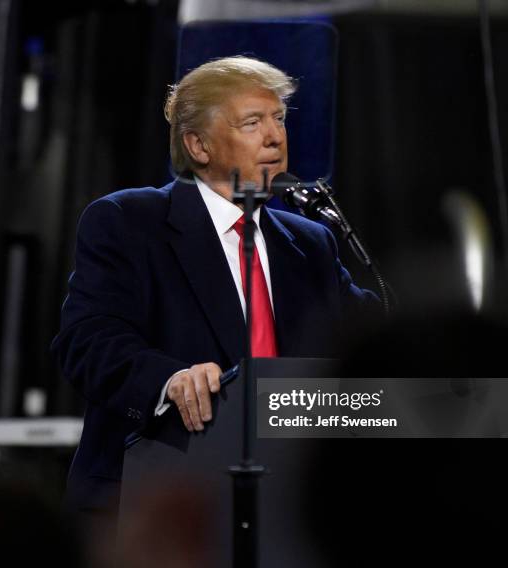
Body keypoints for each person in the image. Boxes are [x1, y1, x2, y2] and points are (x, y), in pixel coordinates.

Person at [52, 56, 376, 516]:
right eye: (252, 122)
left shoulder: (310, 243)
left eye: (279, 119)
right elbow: (88, 340)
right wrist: (167, 378)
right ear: (198, 144)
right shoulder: (130, 222)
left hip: (286, 513)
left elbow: (365, 335)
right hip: (158, 509)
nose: (275, 136)